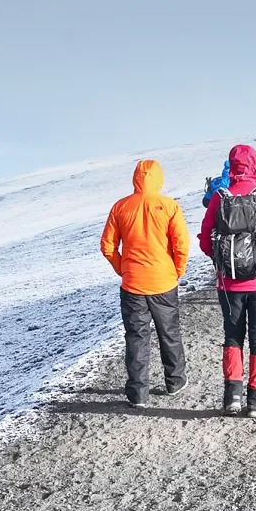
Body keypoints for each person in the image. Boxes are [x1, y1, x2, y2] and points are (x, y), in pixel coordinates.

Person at [199, 145, 256, 417]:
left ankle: (232, 397)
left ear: (232, 166)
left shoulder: (219, 197)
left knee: (232, 336)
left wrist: (223, 263)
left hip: (228, 284)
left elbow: (206, 239)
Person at [101, 159, 190, 408]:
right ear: (159, 178)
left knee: (136, 337)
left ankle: (138, 393)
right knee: (169, 332)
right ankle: (175, 381)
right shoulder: (169, 206)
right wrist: (177, 271)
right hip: (164, 281)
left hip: (132, 285)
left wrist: (123, 268)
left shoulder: (120, 207)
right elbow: (181, 244)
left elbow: (108, 246)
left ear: (135, 178)